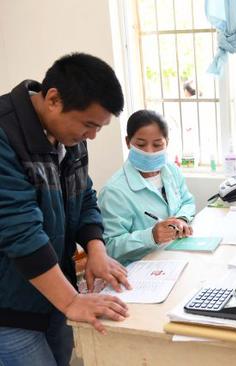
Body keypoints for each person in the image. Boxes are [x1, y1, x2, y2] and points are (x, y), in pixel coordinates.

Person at [0, 53, 130, 366]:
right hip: (10, 311)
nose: (92, 136)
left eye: (99, 127)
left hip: (53, 295)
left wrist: (96, 249)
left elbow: (83, 196)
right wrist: (70, 300)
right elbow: (19, 230)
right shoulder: (5, 133)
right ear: (54, 99)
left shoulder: (69, 135)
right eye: (89, 125)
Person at [98, 109, 195, 265]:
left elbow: (187, 202)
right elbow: (109, 246)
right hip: (138, 268)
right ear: (128, 142)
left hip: (173, 256)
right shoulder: (114, 191)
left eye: (157, 144)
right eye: (141, 144)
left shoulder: (171, 170)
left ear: (167, 143)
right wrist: (151, 236)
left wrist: (181, 219)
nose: (149, 151)